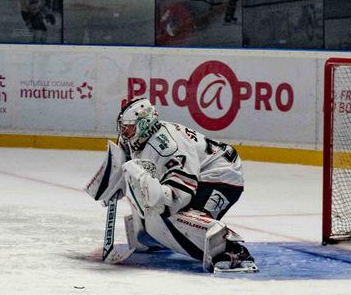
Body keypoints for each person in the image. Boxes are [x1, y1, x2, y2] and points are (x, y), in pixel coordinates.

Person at [85, 97, 258, 272]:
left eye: (129, 127)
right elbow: (119, 168)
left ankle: (230, 251)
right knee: (146, 196)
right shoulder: (134, 139)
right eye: (123, 127)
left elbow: (179, 195)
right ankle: (153, 238)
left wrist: (157, 195)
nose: (124, 132)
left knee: (171, 214)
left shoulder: (168, 147)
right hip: (200, 170)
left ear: (144, 124)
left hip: (222, 176)